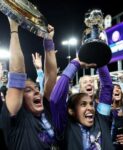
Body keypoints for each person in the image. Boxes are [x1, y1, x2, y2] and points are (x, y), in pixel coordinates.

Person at [1, 18, 58, 150]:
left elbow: (50, 76)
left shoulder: (46, 112)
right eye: (28, 90)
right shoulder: (17, 118)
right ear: (19, 98)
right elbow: (17, 74)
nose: (37, 91)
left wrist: (48, 41)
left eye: (36, 88)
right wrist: (14, 29)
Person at [50, 57, 116, 150]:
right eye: (83, 104)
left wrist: (100, 61)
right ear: (71, 111)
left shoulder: (101, 117)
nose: (90, 108)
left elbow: (107, 87)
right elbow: (56, 101)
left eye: (91, 104)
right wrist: (75, 63)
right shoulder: (65, 127)